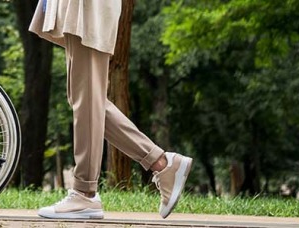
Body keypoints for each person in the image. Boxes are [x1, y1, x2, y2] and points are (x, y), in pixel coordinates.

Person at [29, 0, 193, 219]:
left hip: (87, 7)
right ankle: (162, 164)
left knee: (87, 101)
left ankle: (84, 193)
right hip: (83, 8)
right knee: (86, 101)